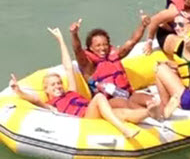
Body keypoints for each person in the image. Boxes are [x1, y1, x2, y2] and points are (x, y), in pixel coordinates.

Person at [10, 28, 160, 138]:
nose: (57, 86)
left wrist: (61, 40)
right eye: (53, 85)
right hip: (85, 120)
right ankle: (125, 130)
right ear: (46, 89)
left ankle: (149, 112)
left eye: (58, 83)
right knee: (100, 98)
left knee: (122, 113)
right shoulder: (51, 105)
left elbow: (68, 67)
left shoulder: (71, 91)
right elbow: (35, 99)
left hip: (96, 112)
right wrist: (19, 91)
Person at [69, 11, 153, 109]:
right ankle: (147, 114)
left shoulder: (114, 56)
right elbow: (77, 50)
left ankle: (158, 112)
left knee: (150, 100)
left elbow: (132, 41)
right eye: (98, 45)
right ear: (90, 48)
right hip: (108, 103)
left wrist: (143, 25)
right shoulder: (88, 64)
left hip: (126, 95)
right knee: (125, 104)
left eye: (105, 44)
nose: (103, 48)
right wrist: (74, 34)